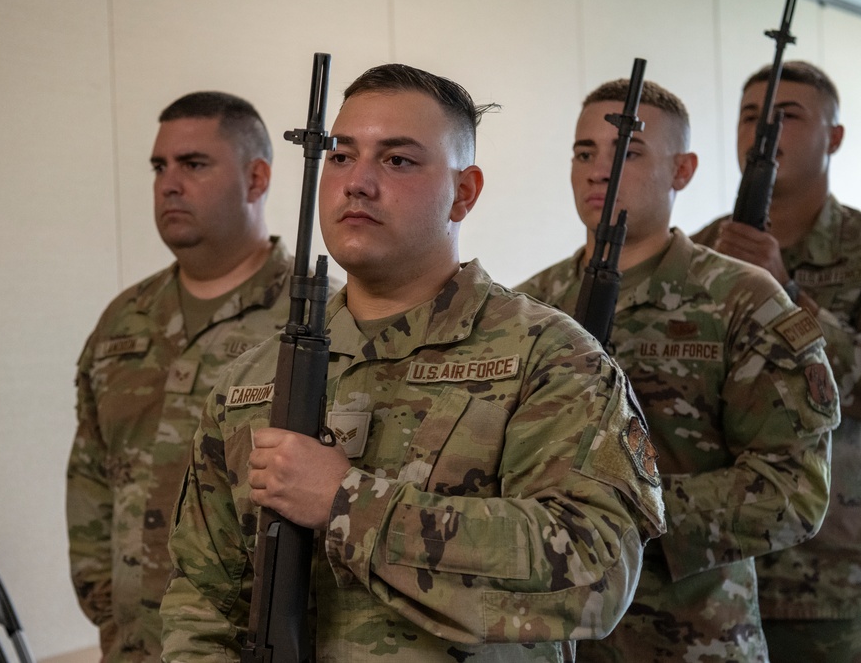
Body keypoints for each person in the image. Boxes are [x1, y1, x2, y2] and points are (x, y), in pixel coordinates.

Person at [160, 63, 667, 662]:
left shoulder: (550, 359)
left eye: (397, 160)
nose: (358, 183)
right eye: (342, 157)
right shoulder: (251, 382)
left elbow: (596, 574)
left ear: (465, 191)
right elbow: (201, 599)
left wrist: (347, 503)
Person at [516, 79, 837, 662]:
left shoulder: (742, 300)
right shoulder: (530, 309)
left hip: (695, 638)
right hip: (557, 638)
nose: (598, 172)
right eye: (584, 152)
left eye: (627, 153)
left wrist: (631, 515)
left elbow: (795, 489)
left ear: (682, 170)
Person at [66, 91, 298, 662]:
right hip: (133, 647)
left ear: (256, 178)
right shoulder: (126, 317)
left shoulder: (311, 323)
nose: (169, 183)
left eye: (193, 164)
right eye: (158, 167)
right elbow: (91, 475)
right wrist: (109, 608)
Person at [692, 60, 861, 662]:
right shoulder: (700, 251)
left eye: (787, 117)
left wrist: (784, 294)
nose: (763, 133)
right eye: (750, 118)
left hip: (830, 578)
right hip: (710, 566)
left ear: (834, 136)